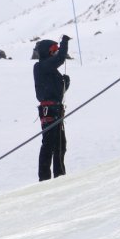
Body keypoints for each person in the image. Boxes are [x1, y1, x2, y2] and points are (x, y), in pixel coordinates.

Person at [32, 36, 72, 180]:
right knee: (49, 145)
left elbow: (55, 92)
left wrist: (64, 84)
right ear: (47, 52)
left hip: (56, 110)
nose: (55, 53)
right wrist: (64, 43)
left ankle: (59, 176)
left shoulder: (49, 69)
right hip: (49, 112)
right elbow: (60, 59)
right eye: (53, 50)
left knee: (60, 144)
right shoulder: (41, 66)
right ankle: (45, 179)